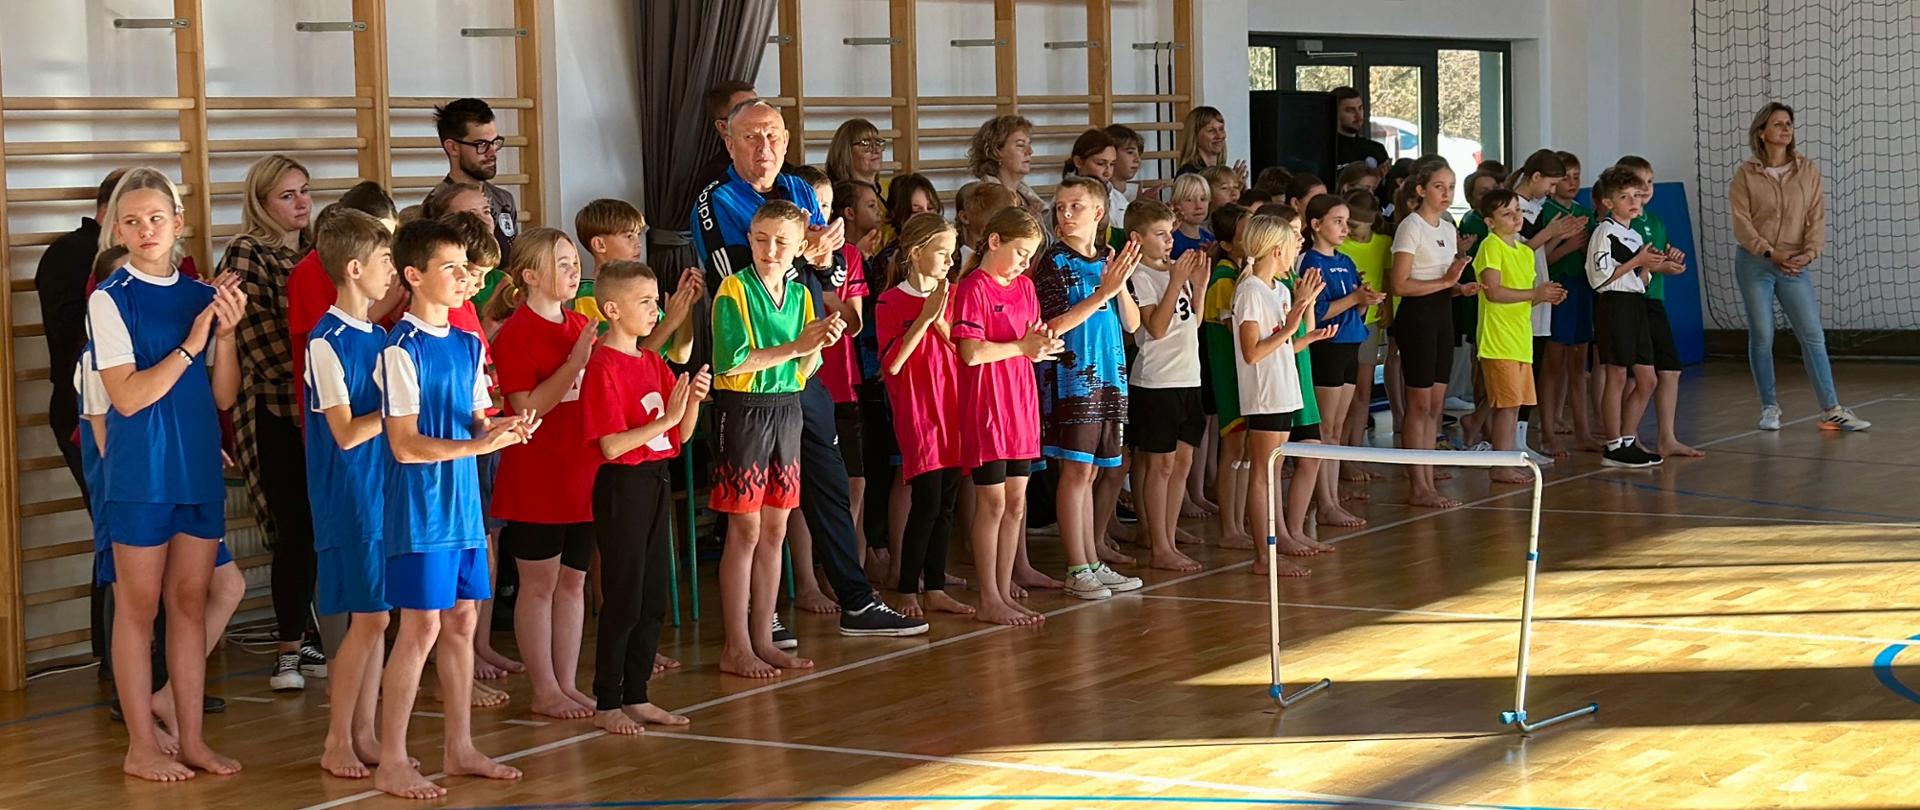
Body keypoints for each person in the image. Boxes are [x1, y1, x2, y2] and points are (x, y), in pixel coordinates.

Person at [690, 98, 927, 639]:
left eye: (773, 136)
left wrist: (821, 263)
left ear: (788, 139)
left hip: (802, 364)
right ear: (728, 141)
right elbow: (746, 271)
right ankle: (759, 616)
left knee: (828, 479)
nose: (764, 148)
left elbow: (835, 263)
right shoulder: (715, 200)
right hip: (750, 381)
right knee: (751, 512)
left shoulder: (798, 188)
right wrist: (810, 257)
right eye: (751, 137)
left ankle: (857, 599)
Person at [90, 167, 247, 780]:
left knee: (188, 604)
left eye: (156, 217)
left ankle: (191, 739)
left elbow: (225, 397)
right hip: (140, 473)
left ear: (178, 223)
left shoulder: (200, 296)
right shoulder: (111, 298)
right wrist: (193, 340)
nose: (145, 229)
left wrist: (224, 336)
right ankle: (140, 746)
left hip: (195, 467)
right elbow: (127, 398)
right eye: (131, 220)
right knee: (139, 606)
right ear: (118, 231)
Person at [374, 219, 533, 799]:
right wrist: (477, 445)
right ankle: (392, 758)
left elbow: (473, 421)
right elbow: (404, 443)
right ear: (413, 277)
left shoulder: (468, 343)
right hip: (420, 510)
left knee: (463, 621)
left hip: (465, 503)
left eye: (466, 266)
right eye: (451, 268)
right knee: (419, 628)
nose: (465, 276)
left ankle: (459, 745)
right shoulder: (399, 349)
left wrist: (501, 429)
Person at [710, 200, 841, 678]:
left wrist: (818, 345)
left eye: (781, 242)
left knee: (776, 530)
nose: (769, 249)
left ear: (799, 247)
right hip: (743, 413)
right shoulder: (733, 290)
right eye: (761, 239)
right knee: (744, 531)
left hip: (786, 412)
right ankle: (736, 644)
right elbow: (732, 362)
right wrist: (797, 347)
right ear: (749, 238)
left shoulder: (804, 296)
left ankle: (764, 639)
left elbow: (804, 372)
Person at [580, 260, 706, 734]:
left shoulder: (652, 361)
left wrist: (690, 402)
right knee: (624, 595)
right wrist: (668, 420)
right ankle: (607, 699)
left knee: (654, 594)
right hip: (622, 486)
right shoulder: (603, 367)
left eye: (657, 301)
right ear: (612, 309)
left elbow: (679, 437)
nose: (657, 311)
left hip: (655, 479)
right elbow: (611, 445)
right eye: (646, 302)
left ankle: (637, 694)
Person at [486, 227, 602, 717]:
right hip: (538, 475)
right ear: (530, 275)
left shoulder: (579, 325)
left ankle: (567, 681)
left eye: (575, 262)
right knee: (539, 585)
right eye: (562, 263)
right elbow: (528, 407)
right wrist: (575, 362)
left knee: (573, 582)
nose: (574, 271)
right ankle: (543, 688)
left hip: (583, 472)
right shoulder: (515, 335)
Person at [221, 154, 324, 691]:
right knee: (292, 528)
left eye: (304, 191)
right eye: (287, 195)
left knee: (321, 527)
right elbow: (258, 342)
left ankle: (313, 631)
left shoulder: (318, 253)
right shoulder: (248, 251)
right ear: (261, 203)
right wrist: (322, 377)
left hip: (323, 412)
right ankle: (288, 644)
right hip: (275, 409)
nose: (301, 202)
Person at [304, 208, 398, 779]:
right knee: (367, 621)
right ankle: (337, 737)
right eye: (387, 260)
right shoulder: (326, 340)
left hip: (381, 490)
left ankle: (364, 732)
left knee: (379, 618)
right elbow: (344, 431)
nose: (394, 270)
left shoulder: (380, 335)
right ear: (356, 267)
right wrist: (397, 415)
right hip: (350, 496)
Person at [1034, 177, 1143, 600]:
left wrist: (1118, 286)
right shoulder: (1052, 263)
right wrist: (1105, 291)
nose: (1064, 215)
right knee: (1076, 470)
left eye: (1074, 206)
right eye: (1059, 207)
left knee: (1096, 470)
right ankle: (1076, 567)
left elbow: (1132, 324)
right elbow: (1053, 325)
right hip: (1073, 381)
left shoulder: (1108, 262)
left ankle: (1092, 560)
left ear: (1099, 214)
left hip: (1111, 380)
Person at [1730, 102, 1869, 432]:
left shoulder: (1808, 170)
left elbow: (1816, 217)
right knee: (1762, 334)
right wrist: (1769, 253)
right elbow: (1742, 223)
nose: (1786, 129)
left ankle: (1831, 408)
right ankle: (1769, 407)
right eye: (1778, 124)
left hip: (1795, 264)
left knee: (1812, 335)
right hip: (1756, 263)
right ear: (1762, 133)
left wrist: (1808, 254)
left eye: (1789, 124)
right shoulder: (1746, 173)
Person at [953, 207, 1061, 625]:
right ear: (994, 240)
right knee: (993, 502)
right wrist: (1021, 348)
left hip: (1020, 402)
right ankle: (989, 596)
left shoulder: (1025, 288)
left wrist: (1042, 345)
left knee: (1017, 501)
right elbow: (971, 352)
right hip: (988, 405)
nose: (1024, 263)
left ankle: (1004, 588)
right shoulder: (973, 288)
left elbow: (1031, 339)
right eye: (1020, 252)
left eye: (1030, 256)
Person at [873, 213, 975, 617]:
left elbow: (961, 350)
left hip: (955, 407)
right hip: (919, 411)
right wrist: (925, 317)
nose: (950, 262)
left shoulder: (953, 296)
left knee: (947, 501)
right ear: (916, 254)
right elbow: (893, 364)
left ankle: (935, 585)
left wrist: (942, 314)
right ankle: (906, 587)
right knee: (927, 501)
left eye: (952, 254)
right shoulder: (889, 301)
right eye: (942, 253)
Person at [1234, 214, 1327, 577]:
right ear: (1276, 249)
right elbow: (1252, 352)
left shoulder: (1280, 289)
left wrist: (1303, 324)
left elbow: (1285, 345)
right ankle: (1263, 555)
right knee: (1262, 473)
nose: (1295, 252)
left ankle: (1275, 544)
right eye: (1291, 245)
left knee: (1272, 472)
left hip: (1285, 390)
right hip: (1265, 393)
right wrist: (1291, 325)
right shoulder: (1250, 291)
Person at [1123, 200, 1206, 573]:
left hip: (1189, 376)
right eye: (1160, 234)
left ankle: (1168, 536)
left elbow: (1192, 321)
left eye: (1170, 232)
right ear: (1137, 239)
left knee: (1183, 461)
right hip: (1157, 381)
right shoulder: (1140, 275)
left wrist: (1198, 287)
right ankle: (1158, 543)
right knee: (1160, 465)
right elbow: (1155, 328)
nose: (1169, 240)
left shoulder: (1172, 271)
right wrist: (1175, 282)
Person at [37, 169, 127, 503]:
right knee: (115, 521)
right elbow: (69, 335)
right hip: (85, 402)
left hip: (133, 402)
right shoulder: (70, 252)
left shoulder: (136, 256)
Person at [1389, 158, 1475, 508]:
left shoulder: (1446, 227)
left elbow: (1442, 280)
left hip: (1442, 314)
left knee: (1436, 403)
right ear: (1421, 190)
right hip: (1418, 318)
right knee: (1419, 402)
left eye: (1451, 187)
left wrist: (1457, 288)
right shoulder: (1411, 227)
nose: (1446, 193)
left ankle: (1427, 475)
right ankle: (1417, 484)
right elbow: (1400, 284)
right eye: (1440, 187)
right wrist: (1444, 282)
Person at [1472, 189, 1566, 482]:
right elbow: (1495, 292)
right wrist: (1535, 293)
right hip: (1498, 339)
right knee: (1506, 405)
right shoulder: (1491, 247)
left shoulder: (1525, 252)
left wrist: (1545, 297)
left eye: (1517, 211)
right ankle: (1500, 464)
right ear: (1490, 221)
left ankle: (1507, 457)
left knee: (1515, 405)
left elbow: (1525, 298)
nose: (1516, 218)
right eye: (1507, 214)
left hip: (1520, 338)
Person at [1301, 195, 1383, 527]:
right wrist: (1353, 298)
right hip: (1327, 347)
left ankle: (1331, 497)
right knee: (1325, 427)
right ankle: (1324, 501)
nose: (1344, 228)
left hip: (1350, 343)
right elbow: (1317, 313)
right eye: (1337, 221)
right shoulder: (1310, 263)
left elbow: (1355, 309)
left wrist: (1365, 300)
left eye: (1346, 221)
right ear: (1316, 225)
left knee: (1338, 427)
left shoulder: (1346, 261)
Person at [1613, 156, 1703, 457]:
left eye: (1649, 183)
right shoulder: (1621, 225)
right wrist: (1659, 266)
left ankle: (1667, 436)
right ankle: (1628, 436)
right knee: (1636, 374)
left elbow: (1657, 260)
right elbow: (1630, 265)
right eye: (1637, 187)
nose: (1645, 191)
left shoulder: (1655, 222)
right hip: (1634, 304)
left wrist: (1671, 261)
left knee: (1670, 370)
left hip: (1655, 302)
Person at [288, 183, 404, 417]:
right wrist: (384, 306)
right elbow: (332, 341)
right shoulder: (309, 272)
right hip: (335, 412)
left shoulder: (384, 272)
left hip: (373, 410)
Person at [1585, 167, 1665, 469]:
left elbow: (1637, 278)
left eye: (1636, 195)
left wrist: (1649, 267)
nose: (1633, 201)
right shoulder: (1603, 232)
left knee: (1647, 378)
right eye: (1624, 196)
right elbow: (1599, 278)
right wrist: (1637, 261)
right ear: (1608, 202)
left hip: (1635, 305)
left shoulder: (1632, 235)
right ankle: (1614, 444)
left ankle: (1629, 438)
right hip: (1614, 306)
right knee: (1616, 375)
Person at [574, 198, 698, 360]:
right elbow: (622, 362)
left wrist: (684, 304)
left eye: (638, 235)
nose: (638, 243)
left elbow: (680, 356)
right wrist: (670, 322)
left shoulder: (643, 293)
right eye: (628, 236)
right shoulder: (588, 296)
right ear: (599, 245)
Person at [1202, 203, 1254, 550]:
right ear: (1228, 244)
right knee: (1232, 449)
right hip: (1228, 374)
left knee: (1245, 451)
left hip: (1243, 374)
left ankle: (1241, 518)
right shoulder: (1224, 279)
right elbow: (1233, 330)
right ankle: (1229, 526)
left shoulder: (1240, 275)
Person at [1337, 191, 1394, 469]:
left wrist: (1388, 307)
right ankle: (1340, 456)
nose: (1349, 231)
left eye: (1355, 226)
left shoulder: (1383, 244)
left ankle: (1354, 452)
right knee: (1343, 394)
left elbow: (1388, 278)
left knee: (1363, 391)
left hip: (1368, 322)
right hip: (1342, 322)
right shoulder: (1340, 245)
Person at [433, 98, 519, 262]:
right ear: (453, 147)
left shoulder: (504, 200)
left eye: (495, 143)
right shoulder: (436, 203)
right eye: (481, 144)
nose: (492, 153)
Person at [967, 114, 1047, 222]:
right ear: (996, 152)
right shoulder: (984, 200)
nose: (1030, 151)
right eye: (1020, 145)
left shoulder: (1028, 198)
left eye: (1029, 144)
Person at [826, 117, 890, 201]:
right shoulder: (833, 198)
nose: (876, 150)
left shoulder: (889, 190)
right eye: (865, 143)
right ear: (846, 152)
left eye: (877, 142)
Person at [1176, 106, 1245, 180]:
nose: (1219, 135)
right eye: (1211, 130)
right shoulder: (1189, 174)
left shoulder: (1220, 172)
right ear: (1195, 136)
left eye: (1221, 129)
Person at [1330, 87, 1390, 170]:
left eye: (1360, 108)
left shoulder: (1376, 150)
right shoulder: (1325, 152)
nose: (1358, 116)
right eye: (1350, 110)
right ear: (1334, 112)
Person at [1104, 124, 1145, 227]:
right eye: (1130, 152)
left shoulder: (1135, 193)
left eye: (1139, 154)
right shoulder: (1103, 197)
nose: (1137, 159)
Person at [1169, 174, 1215, 260]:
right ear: (1175, 204)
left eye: (1203, 199)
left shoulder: (1210, 238)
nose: (1198, 206)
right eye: (1189, 200)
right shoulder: (1170, 240)